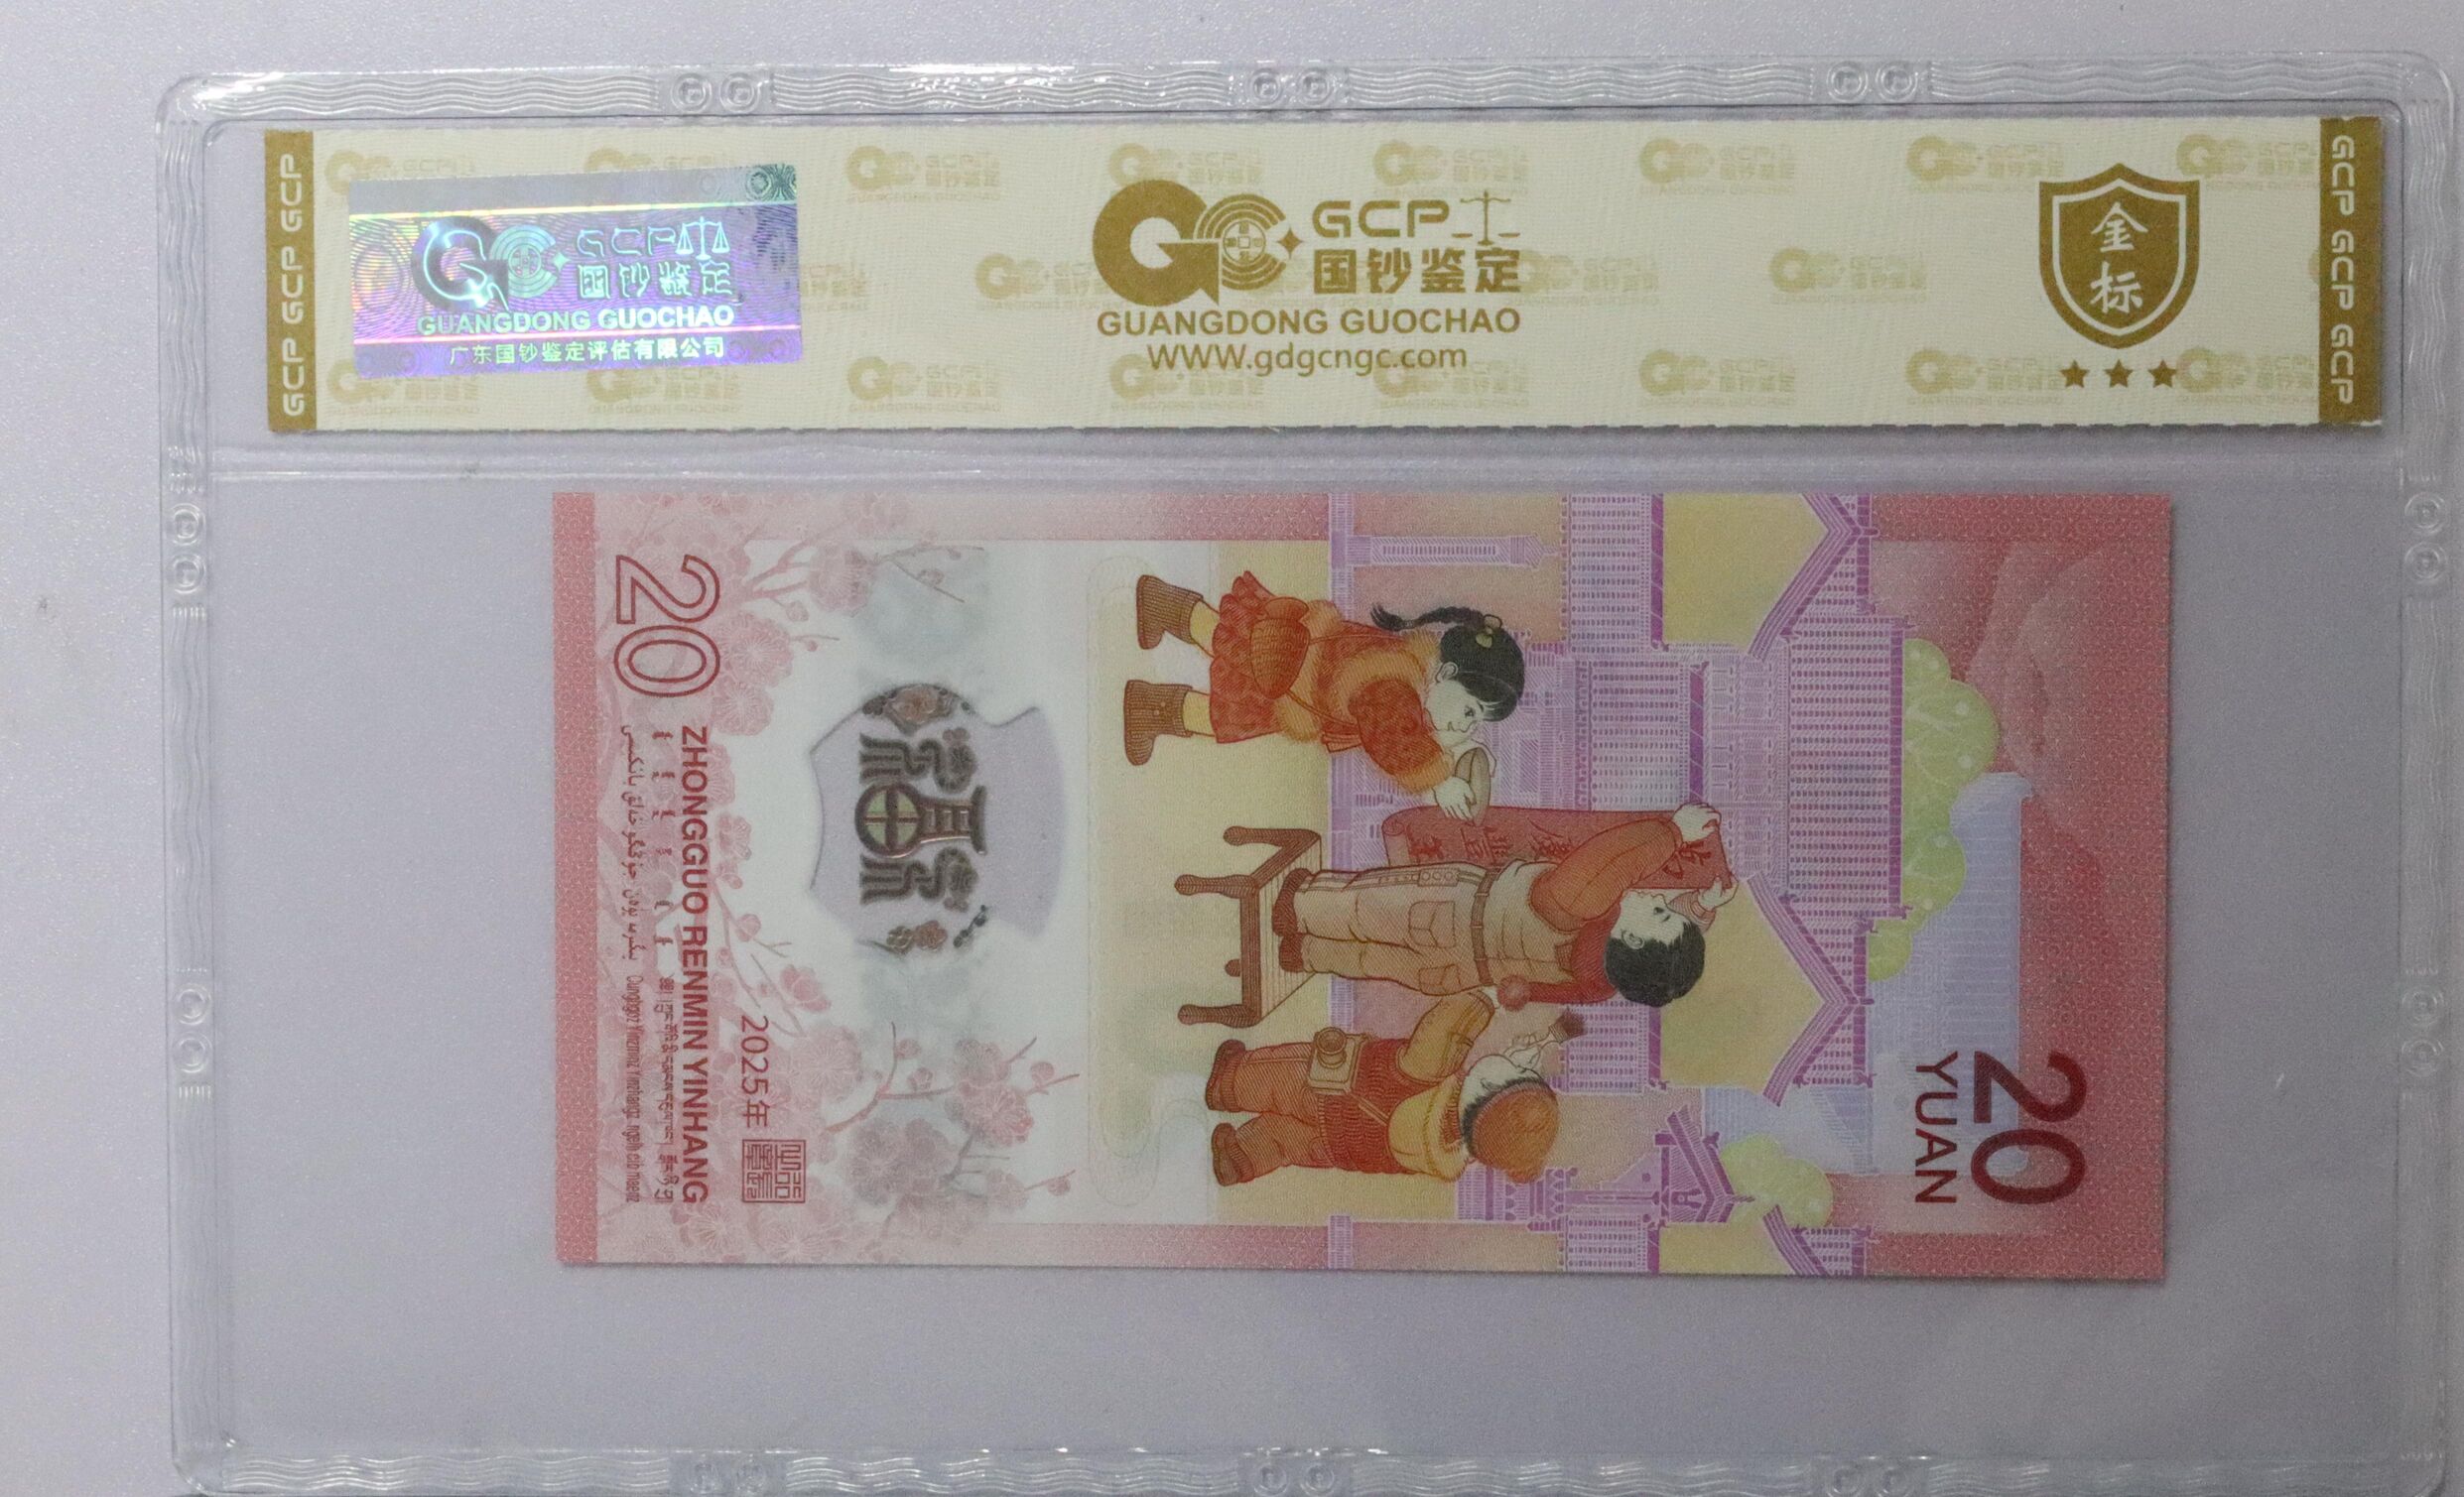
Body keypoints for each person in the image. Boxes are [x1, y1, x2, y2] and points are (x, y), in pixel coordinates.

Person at [1122, 572, 1523, 819]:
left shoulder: (1415, 674)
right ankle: (1151, 687)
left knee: (1227, 649)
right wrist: (1438, 782)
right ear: (1448, 673)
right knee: (1224, 680)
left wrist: (1465, 751)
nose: (1467, 725)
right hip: (1293, 674)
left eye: (1477, 722)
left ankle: (1155, 659)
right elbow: (1394, 741)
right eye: (1471, 711)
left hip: (1302, 675)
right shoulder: (1395, 686)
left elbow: (1417, 729)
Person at [1273, 802, 1737, 1008]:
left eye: (1660, 912)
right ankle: (1308, 953)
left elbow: (1609, 861)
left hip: (1449, 911)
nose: (1656, 900)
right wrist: (1699, 907)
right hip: (1456, 973)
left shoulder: (1580, 905)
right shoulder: (1603, 982)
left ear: (1631, 937)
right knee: (1372, 961)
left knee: (1366, 908)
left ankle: (1299, 906)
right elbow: (1650, 962)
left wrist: (1673, 832)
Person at [1204, 993, 1583, 1185]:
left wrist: (1485, 999)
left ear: (1489, 1086)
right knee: (1284, 1143)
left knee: (1278, 1078)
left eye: (1516, 1071)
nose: (1516, 1061)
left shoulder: (1432, 1073)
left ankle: (1230, 1082)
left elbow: (1445, 1027)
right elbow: (1518, 1062)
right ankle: (1242, 1158)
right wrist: (1553, 1037)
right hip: (1338, 1148)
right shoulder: (1445, 1153)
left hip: (1330, 1091)